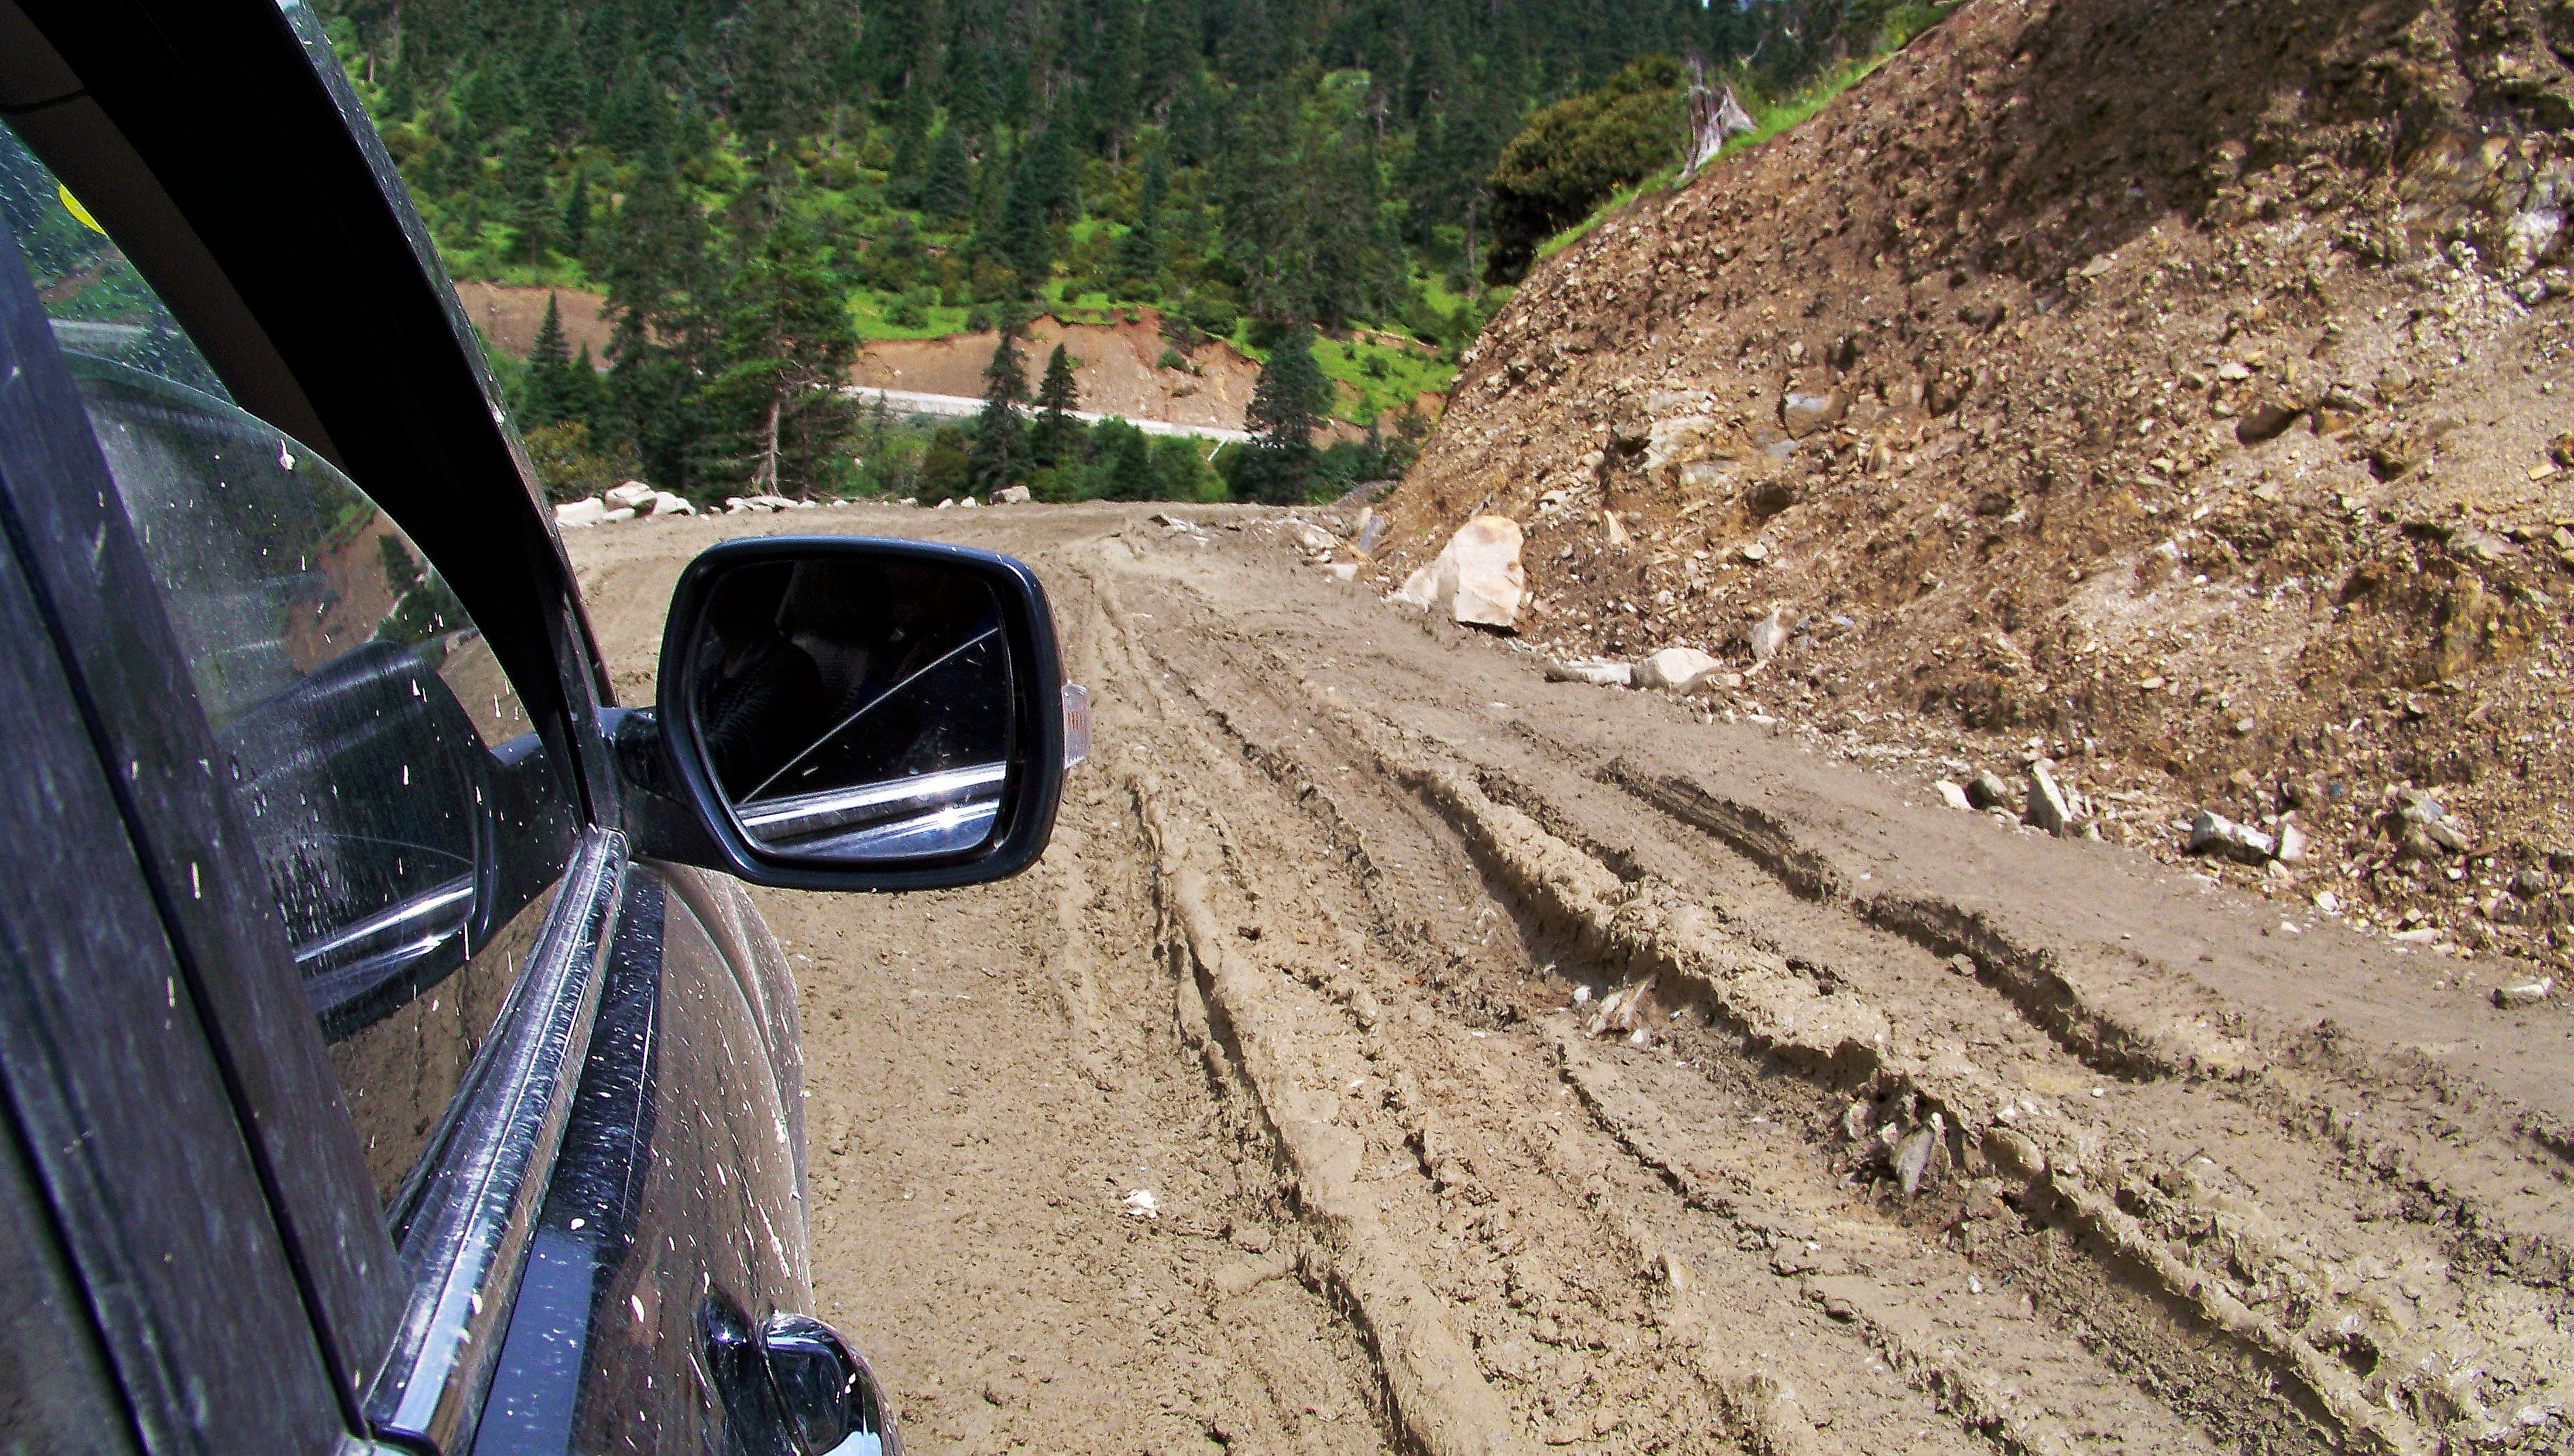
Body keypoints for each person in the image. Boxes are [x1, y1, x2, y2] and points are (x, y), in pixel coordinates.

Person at [696, 565, 823, 800]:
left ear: (759, 602)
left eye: (733, 593)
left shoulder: (789, 672)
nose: (714, 604)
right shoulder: (712, 657)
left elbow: (723, 757)